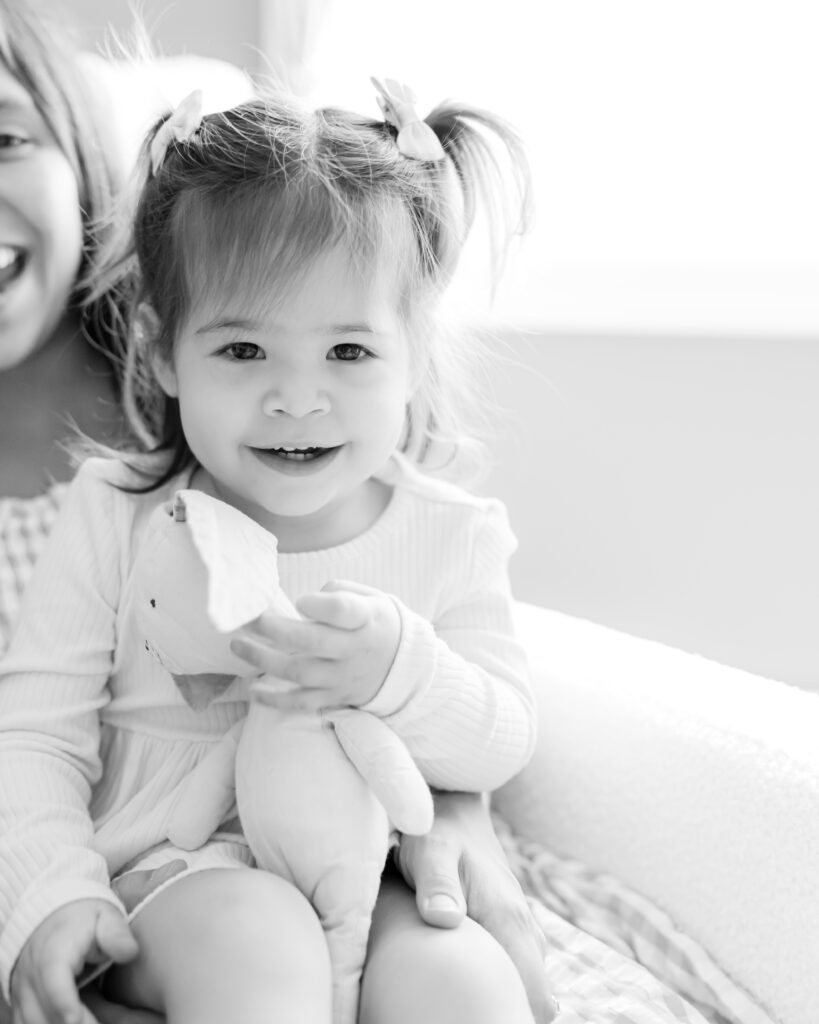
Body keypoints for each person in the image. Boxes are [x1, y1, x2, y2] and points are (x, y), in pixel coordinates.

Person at [0, 3, 557, 1017]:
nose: (297, 398)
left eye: (347, 352)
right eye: (243, 350)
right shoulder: (120, 510)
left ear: (412, 355)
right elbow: (33, 734)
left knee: (461, 980)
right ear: (167, 352)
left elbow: (503, 736)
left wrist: (402, 670)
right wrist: (49, 891)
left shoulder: (450, 529)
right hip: (175, 874)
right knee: (258, 944)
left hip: (377, 863)